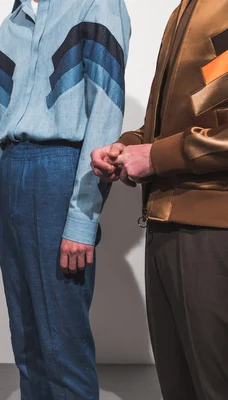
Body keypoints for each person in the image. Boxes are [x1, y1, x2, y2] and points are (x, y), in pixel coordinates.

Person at [0, 0, 131, 398]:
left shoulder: (96, 4)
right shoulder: (11, 24)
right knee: (27, 346)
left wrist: (83, 217)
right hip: (11, 170)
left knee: (62, 347)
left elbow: (105, 112)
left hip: (62, 173)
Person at [91, 1, 228, 398]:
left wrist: (154, 156)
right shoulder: (187, 9)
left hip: (211, 229)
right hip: (167, 222)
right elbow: (189, 116)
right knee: (179, 384)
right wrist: (129, 146)